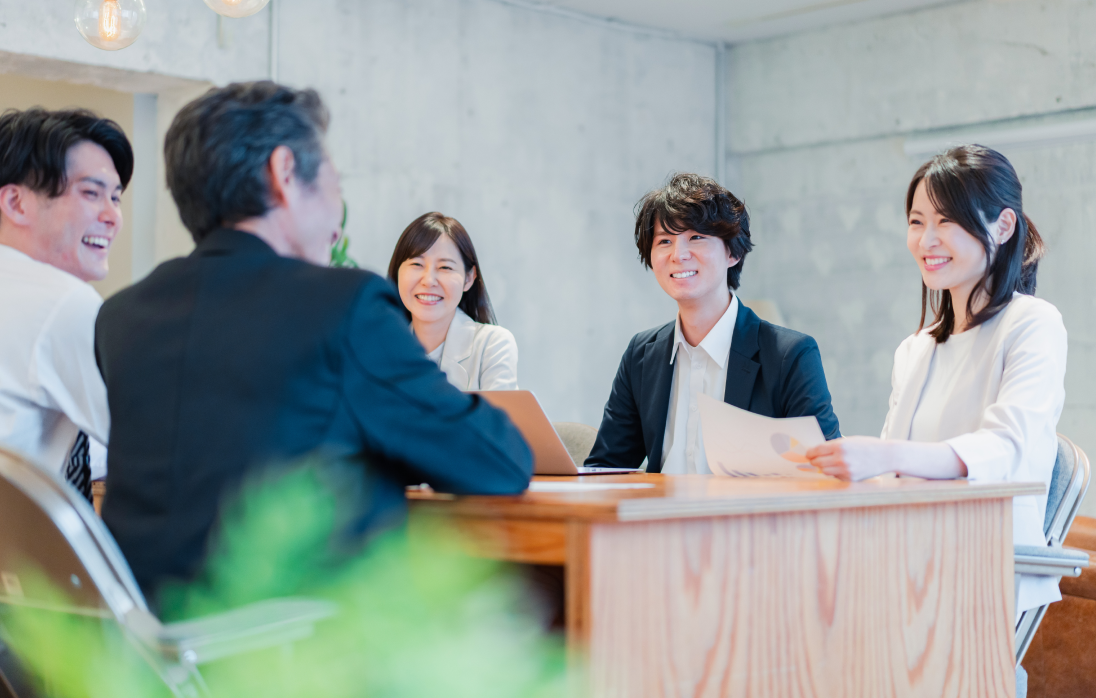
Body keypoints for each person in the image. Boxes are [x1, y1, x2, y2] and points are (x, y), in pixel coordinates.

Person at [95, 82, 532, 601]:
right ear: (284, 174)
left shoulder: (121, 316)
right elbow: (497, 460)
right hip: (301, 653)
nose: (337, 202)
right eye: (333, 178)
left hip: (145, 657)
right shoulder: (344, 307)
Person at [805, 146, 1063, 693]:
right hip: (901, 561)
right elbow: (892, 477)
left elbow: (1008, 449)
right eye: (917, 222)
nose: (926, 241)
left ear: (1003, 225)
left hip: (979, 570)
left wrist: (886, 455)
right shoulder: (916, 348)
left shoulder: (1033, 324)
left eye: (946, 221)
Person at [585, 173, 840, 474]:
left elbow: (826, 473)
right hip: (658, 518)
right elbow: (606, 467)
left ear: (733, 251)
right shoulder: (642, 354)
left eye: (696, 237)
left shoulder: (789, 355)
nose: (678, 255)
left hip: (747, 519)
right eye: (664, 241)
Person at [0, 108, 132, 500]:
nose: (112, 217)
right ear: (16, 203)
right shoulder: (60, 300)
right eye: (91, 193)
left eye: (115, 197)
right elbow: (147, 440)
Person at [387, 212, 518, 390]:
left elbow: (500, 417)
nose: (428, 280)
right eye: (417, 264)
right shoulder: (379, 351)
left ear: (469, 278)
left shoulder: (493, 345)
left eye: (445, 267)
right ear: (397, 272)